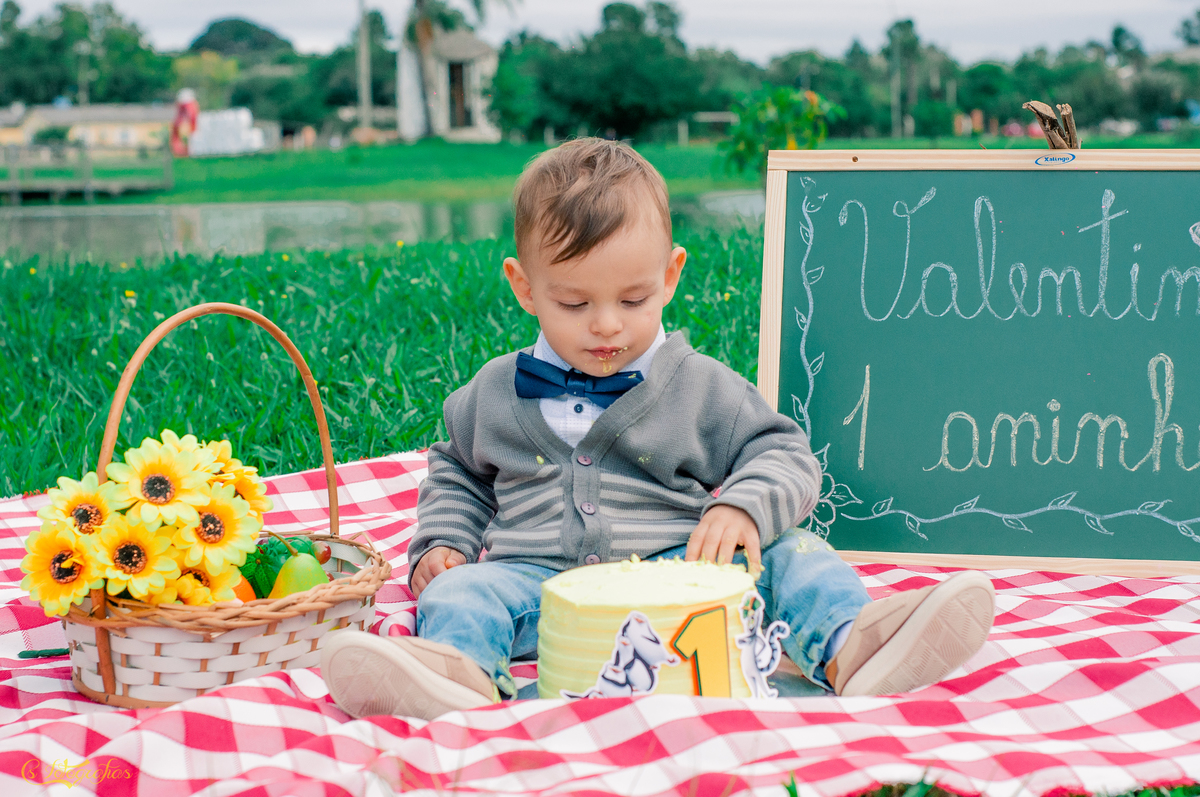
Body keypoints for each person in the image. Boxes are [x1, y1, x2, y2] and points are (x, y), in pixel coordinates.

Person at [320, 138, 995, 719]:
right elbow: (458, 471)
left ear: (670, 275)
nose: (607, 324)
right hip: (537, 580)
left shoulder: (700, 385)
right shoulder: (493, 392)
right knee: (460, 593)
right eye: (574, 302)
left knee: (796, 553)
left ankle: (853, 645)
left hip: (686, 573)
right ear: (525, 288)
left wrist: (742, 505)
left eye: (633, 298)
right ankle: (455, 676)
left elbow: (784, 451)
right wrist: (444, 542)